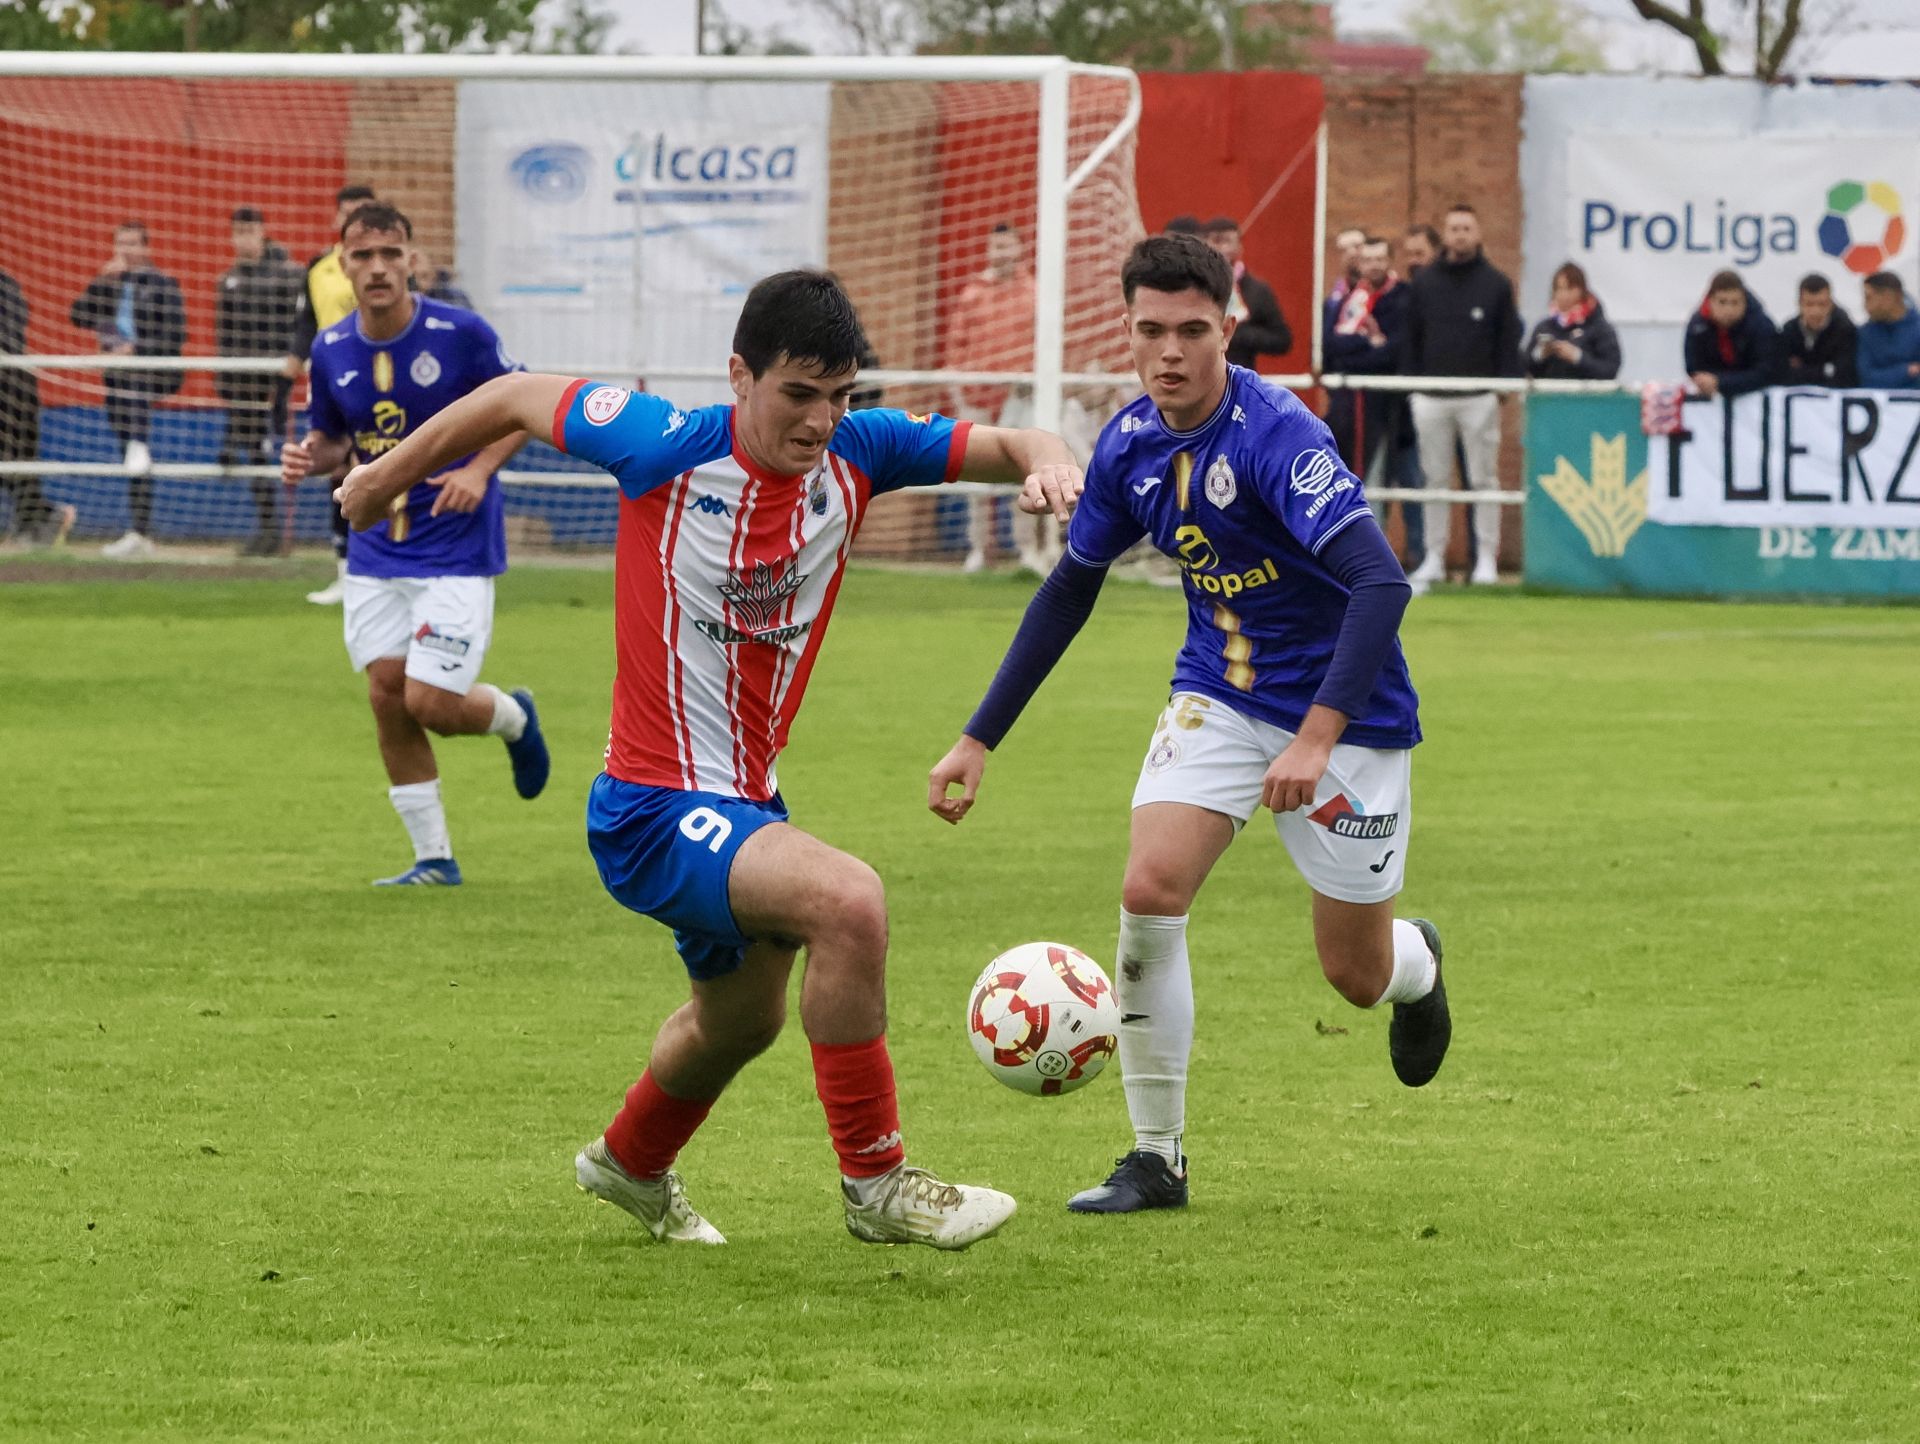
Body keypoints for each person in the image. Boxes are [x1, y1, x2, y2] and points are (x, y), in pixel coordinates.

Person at [333, 269, 1075, 1249]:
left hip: (745, 805)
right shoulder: (661, 445)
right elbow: (514, 396)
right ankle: (878, 1181)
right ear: (740, 376)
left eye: (839, 396)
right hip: (648, 805)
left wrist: (1052, 459)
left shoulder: (862, 452)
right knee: (849, 901)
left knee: (740, 1021)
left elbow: (1013, 442)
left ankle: (629, 1162)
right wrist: (385, 477)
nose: (819, 421)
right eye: (797, 394)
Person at [928, 235, 1450, 1215]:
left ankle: (1417, 967)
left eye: (1192, 331)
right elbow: (1068, 590)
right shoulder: (1129, 445)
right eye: (1150, 331)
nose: (1170, 352)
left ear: (1230, 319)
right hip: (1216, 691)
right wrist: (978, 736)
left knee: (1355, 972)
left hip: (1349, 713)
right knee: (1149, 887)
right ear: (1127, 330)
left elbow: (1380, 584)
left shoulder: (1278, 437)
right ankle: (1156, 1157)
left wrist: (1316, 737)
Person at [279, 201, 550, 888]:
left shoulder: (460, 334)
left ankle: (514, 718)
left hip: (455, 545)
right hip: (375, 545)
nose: (377, 269)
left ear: (411, 261)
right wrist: (309, 457)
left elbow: (526, 404)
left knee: (430, 702)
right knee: (385, 694)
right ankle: (434, 859)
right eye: (362, 256)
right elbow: (337, 442)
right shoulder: (330, 347)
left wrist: (479, 468)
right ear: (341, 264)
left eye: (390, 254)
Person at [1402, 204, 1522, 589]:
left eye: (1467, 227)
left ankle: (1486, 558)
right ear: (1445, 233)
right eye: (1453, 228)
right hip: (1431, 398)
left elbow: (1508, 341)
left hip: (1479, 397)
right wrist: (1413, 387)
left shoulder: (1497, 285)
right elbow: (1410, 338)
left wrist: (1502, 389)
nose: (1460, 234)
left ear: (1478, 233)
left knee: (1483, 479)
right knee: (1433, 479)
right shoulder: (1424, 284)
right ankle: (1434, 557)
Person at [69, 220, 185, 560]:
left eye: (133, 243)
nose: (126, 251)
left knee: (135, 436)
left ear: (146, 248)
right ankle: (139, 532)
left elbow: (175, 335)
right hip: (119, 377)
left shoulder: (162, 284)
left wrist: (135, 350)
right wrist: (102, 281)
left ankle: (136, 441)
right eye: (121, 243)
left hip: (155, 370)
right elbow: (78, 316)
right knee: (133, 451)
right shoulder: (110, 284)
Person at [291, 183, 378, 604]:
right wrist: (294, 356)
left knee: (376, 466)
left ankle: (373, 567)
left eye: (362, 213)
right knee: (338, 471)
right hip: (332, 379)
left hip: (379, 380)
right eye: (347, 214)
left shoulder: (383, 267)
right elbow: (308, 321)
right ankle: (346, 571)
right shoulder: (319, 268)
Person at [946, 222, 1045, 574]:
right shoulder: (972, 293)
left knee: (1024, 474)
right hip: (978, 398)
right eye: (995, 247)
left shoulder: (1034, 291)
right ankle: (979, 549)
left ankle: (1027, 551)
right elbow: (955, 347)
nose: (1001, 253)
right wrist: (959, 390)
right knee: (974, 475)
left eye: (1007, 246)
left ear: (1019, 249)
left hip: (1019, 398)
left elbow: (1044, 343)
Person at [217, 206, 303, 555]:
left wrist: (286, 374)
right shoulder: (228, 280)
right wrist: (224, 381)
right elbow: (224, 335)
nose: (243, 239)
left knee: (285, 453)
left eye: (249, 231)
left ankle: (291, 532)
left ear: (263, 232)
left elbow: (295, 326)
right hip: (242, 384)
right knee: (255, 455)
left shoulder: (288, 275)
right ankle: (270, 530)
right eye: (237, 232)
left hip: (279, 382)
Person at [0, 264, 72, 548]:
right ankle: (43, 516)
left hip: (12, 388)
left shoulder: (6, 285)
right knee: (13, 464)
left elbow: (13, 333)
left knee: (16, 460)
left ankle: (39, 519)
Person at [1323, 235, 1408, 473]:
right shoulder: (1350, 299)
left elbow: (1393, 352)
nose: (1374, 265)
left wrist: (1353, 354)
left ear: (1390, 261)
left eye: (1380, 258)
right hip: (1347, 401)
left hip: (1386, 404)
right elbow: (1330, 343)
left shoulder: (1403, 297)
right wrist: (1367, 341)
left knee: (1377, 474)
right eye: (1368, 260)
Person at [1201, 216, 1292, 370]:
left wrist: (1237, 334)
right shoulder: (1194, 287)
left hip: (1239, 379)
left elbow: (1282, 340)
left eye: (1228, 241)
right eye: (1217, 241)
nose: (1223, 248)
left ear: (1240, 246)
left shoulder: (1256, 290)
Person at [1682, 270, 1776, 400]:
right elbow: (1693, 367)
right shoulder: (1698, 326)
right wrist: (1706, 382)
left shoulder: (1761, 325)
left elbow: (1767, 371)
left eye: (1735, 302)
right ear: (1710, 301)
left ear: (1744, 302)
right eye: (1722, 302)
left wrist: (1721, 382)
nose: (1729, 310)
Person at [1523, 263, 1621, 381]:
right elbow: (1525, 366)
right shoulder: (1544, 327)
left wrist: (1577, 357)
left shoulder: (1599, 328)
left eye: (1570, 288)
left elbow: (1610, 369)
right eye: (1559, 289)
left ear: (1582, 290)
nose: (1564, 295)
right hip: (1548, 396)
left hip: (1586, 398)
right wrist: (1539, 355)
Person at [1774, 274, 1857, 389]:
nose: (1815, 311)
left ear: (1830, 304)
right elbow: (1780, 373)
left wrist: (1801, 369)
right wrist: (1825, 370)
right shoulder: (1789, 330)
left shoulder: (1845, 330)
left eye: (1822, 304)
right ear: (1799, 304)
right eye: (1809, 304)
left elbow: (1845, 375)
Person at [1855, 271, 1920, 390]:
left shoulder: (1917, 330)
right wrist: (1906, 371)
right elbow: (1866, 377)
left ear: (1889, 297)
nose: (1864, 305)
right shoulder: (1866, 333)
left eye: (1869, 297)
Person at [409, 244, 473, 310]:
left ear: (433, 271)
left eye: (424, 275)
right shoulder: (404, 299)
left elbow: (465, 317)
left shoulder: (453, 296)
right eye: (414, 276)